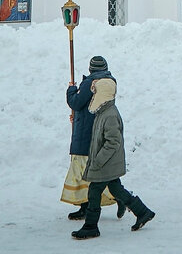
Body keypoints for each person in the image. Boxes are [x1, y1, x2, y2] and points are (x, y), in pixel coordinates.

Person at [72, 74, 155, 239]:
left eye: (96, 93)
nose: (94, 96)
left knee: (94, 192)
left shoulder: (109, 115)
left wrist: (98, 160)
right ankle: (143, 212)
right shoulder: (103, 112)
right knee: (116, 189)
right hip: (108, 163)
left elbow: (113, 142)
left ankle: (90, 226)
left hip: (106, 163)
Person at [62, 56, 119, 220]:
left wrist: (71, 89)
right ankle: (119, 199)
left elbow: (77, 102)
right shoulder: (108, 82)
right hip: (96, 129)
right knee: (96, 172)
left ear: (91, 69)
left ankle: (87, 207)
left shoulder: (91, 82)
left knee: (84, 171)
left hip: (85, 132)